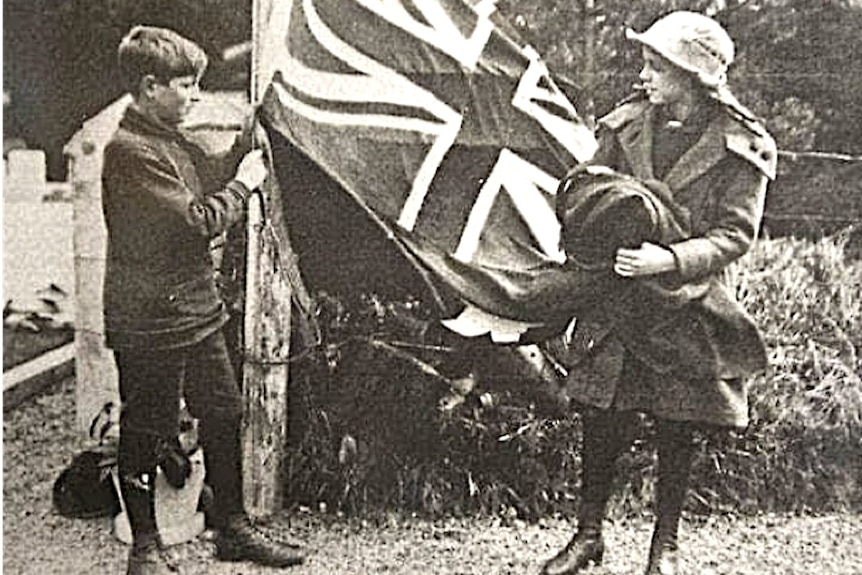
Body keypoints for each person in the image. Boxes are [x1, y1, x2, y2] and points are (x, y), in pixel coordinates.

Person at [540, 11, 776, 575]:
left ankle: (663, 549)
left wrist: (669, 259)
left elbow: (734, 235)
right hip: (618, 297)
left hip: (685, 302)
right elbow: (583, 189)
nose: (644, 75)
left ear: (693, 75)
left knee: (678, 425)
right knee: (600, 418)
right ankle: (587, 538)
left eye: (657, 65)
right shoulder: (625, 126)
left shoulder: (743, 146)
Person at [101, 26, 304, 574]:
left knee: (223, 411)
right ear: (149, 88)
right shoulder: (129, 152)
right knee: (148, 428)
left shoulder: (168, 139)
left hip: (194, 309)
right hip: (149, 320)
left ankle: (232, 527)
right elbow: (197, 221)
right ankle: (145, 547)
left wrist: (245, 143)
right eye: (185, 85)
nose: (194, 95)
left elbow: (206, 176)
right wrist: (244, 184)